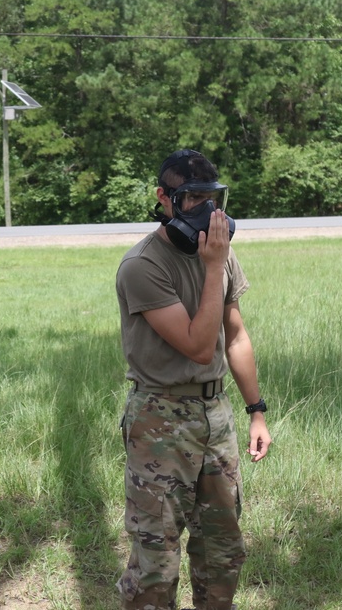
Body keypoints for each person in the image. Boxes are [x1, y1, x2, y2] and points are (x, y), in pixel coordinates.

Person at [115, 149, 271, 610]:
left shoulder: (220, 255)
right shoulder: (142, 265)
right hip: (160, 419)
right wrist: (211, 268)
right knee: (156, 562)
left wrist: (256, 411)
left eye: (212, 198)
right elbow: (200, 345)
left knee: (222, 551)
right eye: (192, 199)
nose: (207, 211)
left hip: (214, 415)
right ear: (164, 199)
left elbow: (235, 336)